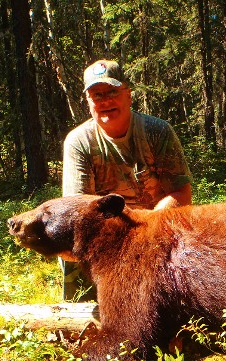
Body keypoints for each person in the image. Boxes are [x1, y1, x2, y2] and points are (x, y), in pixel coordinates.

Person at [61, 59, 192, 300]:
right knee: (70, 251)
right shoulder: (79, 142)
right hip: (106, 232)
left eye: (112, 92)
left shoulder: (156, 131)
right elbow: (78, 210)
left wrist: (147, 228)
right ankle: (82, 318)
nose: (105, 101)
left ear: (128, 95)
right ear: (89, 102)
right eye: (97, 95)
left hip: (157, 225)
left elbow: (180, 193)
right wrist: (120, 239)